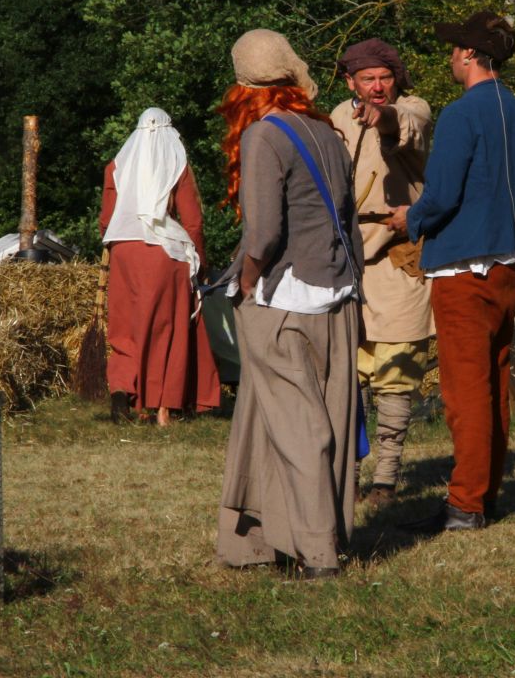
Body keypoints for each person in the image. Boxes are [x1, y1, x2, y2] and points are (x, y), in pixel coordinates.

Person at [386, 10, 515, 531]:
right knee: (494, 382)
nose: (450, 57)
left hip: (465, 268)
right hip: (513, 266)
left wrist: (410, 218)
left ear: (468, 55)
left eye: (453, 49)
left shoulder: (460, 115)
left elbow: (441, 197)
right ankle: (484, 496)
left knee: (465, 393)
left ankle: (465, 505)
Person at [215, 29, 364, 579]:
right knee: (283, 420)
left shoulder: (263, 136)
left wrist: (245, 283)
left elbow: (263, 236)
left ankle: (319, 552)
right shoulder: (326, 132)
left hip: (285, 302)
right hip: (338, 297)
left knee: (299, 429)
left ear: (243, 89)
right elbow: (349, 223)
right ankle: (255, 542)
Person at [329, 38, 434, 508]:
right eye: (367, 78)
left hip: (398, 264)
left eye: (385, 77)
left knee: (395, 377)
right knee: (346, 379)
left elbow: (403, 124)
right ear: (350, 81)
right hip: (345, 265)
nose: (377, 86)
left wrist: (382, 116)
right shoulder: (335, 117)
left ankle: (386, 481)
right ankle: (347, 477)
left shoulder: (413, 108)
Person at [100, 107, 221, 427]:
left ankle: (124, 389)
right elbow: (193, 221)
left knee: (126, 327)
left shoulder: (117, 165)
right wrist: (200, 262)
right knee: (167, 328)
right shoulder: (177, 164)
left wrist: (114, 246)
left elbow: (106, 220)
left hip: (124, 251)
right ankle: (163, 408)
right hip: (165, 254)